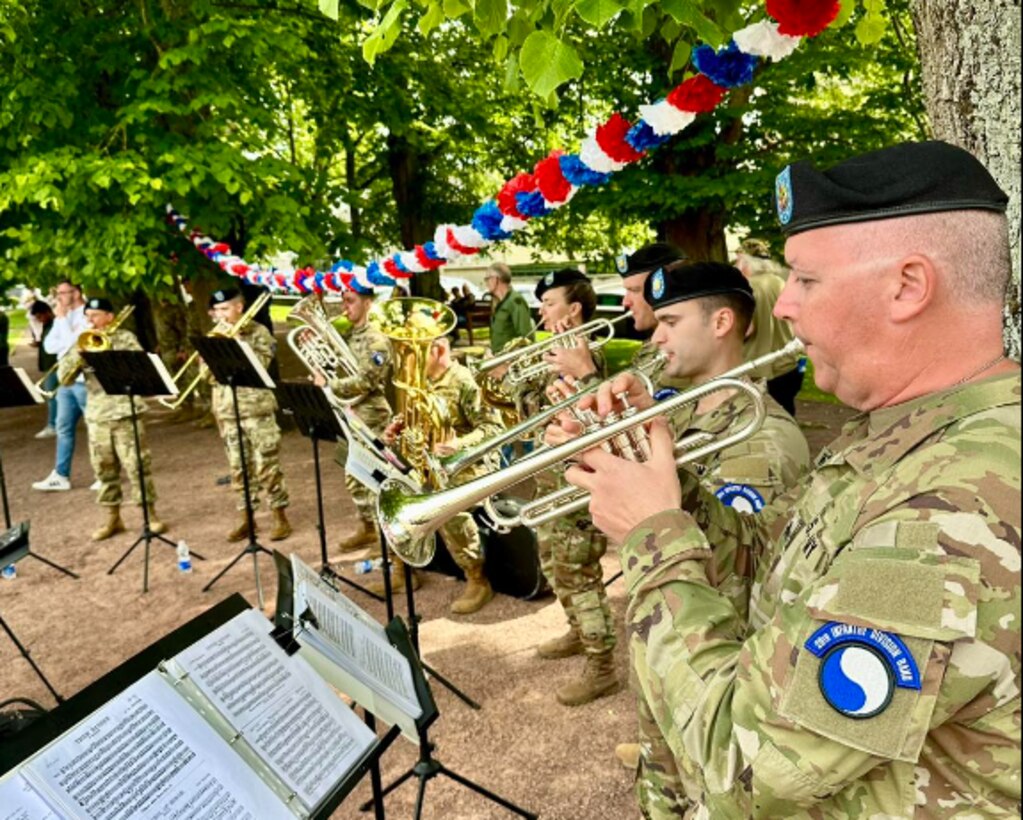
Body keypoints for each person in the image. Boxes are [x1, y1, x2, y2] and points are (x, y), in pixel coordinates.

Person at [559, 141, 1020, 816]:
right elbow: (772, 573)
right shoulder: (910, 436)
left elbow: (746, 774)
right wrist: (664, 485)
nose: (781, 307)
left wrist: (654, 538)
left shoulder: (951, 512)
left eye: (805, 280)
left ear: (907, 286)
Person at [605, 260, 811, 797]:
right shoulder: (677, 416)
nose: (655, 333)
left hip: (713, 681)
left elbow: (739, 583)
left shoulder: (758, 442)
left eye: (670, 321)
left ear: (721, 323)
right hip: (673, 658)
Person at [514, 268, 619, 706]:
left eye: (550, 301)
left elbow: (599, 413)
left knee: (578, 570)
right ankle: (579, 632)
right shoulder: (552, 351)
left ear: (574, 309)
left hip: (580, 478)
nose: (542, 308)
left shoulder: (588, 356)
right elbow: (530, 415)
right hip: (551, 476)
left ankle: (602, 666)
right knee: (554, 563)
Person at [386, 334, 504, 613]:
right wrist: (399, 429)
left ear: (438, 350)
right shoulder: (423, 382)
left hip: (471, 462)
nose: (410, 361)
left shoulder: (466, 380)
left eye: (416, 352)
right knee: (393, 491)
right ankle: (403, 569)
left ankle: (477, 578)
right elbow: (416, 419)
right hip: (436, 460)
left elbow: (494, 428)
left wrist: (458, 445)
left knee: (445, 501)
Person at [58, 298, 167, 540]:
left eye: (95, 315)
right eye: (88, 316)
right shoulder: (81, 341)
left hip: (126, 412)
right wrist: (79, 354)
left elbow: (140, 368)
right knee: (103, 470)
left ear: (110, 317)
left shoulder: (125, 338)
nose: (90, 321)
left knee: (138, 467)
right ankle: (112, 517)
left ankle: (150, 514)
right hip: (97, 415)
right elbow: (63, 378)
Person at [207, 288, 292, 541]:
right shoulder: (213, 337)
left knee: (267, 465)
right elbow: (205, 375)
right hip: (229, 412)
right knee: (239, 468)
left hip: (257, 410)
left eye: (225, 309)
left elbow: (261, 366)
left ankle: (280, 515)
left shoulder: (259, 333)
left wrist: (237, 346)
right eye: (217, 311)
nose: (221, 315)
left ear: (239, 308)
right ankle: (247, 518)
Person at [313, 285, 393, 555]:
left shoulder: (377, 341)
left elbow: (367, 381)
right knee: (353, 477)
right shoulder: (346, 336)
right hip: (349, 415)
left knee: (374, 481)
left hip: (372, 418)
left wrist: (331, 385)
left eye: (350, 301)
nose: (344, 307)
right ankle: (368, 528)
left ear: (368, 303)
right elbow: (334, 367)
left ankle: (389, 545)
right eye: (343, 301)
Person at [735, 237, 806, 415]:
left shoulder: (745, 288)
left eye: (738, 260)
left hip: (757, 369)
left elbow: (747, 329)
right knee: (786, 415)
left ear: (746, 262)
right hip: (787, 365)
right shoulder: (781, 283)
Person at [32, 280, 88, 491]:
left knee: (95, 428)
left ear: (76, 292)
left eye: (64, 293)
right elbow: (49, 345)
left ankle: (106, 472)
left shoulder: (87, 313)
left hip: (83, 380)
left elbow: (75, 343)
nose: (60, 298)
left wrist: (63, 320)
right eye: (58, 294)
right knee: (63, 427)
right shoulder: (62, 317)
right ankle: (61, 474)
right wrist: (63, 325)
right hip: (66, 379)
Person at [485, 262, 533, 354]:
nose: (486, 283)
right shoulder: (500, 302)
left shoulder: (515, 300)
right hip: (498, 358)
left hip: (509, 362)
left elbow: (526, 338)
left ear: (496, 279)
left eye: (487, 279)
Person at [28, 300, 58, 439]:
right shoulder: (47, 325)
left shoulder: (56, 324)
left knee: (51, 396)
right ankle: (54, 424)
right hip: (49, 365)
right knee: (53, 396)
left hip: (54, 365)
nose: (39, 320)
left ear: (47, 312)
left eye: (40, 316)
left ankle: (53, 425)